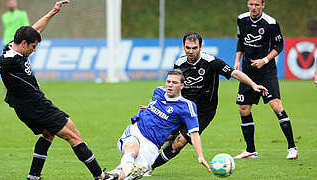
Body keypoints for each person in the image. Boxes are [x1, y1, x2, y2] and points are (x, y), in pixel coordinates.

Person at [0, 1, 110, 180]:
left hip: (24, 106)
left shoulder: (13, 46)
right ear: (24, 43)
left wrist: (53, 12)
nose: (34, 50)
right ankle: (101, 176)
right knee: (73, 134)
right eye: (33, 47)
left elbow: (35, 29)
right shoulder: (7, 59)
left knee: (49, 134)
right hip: (36, 105)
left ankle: (33, 176)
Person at [146, 32, 268, 175]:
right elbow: (173, 85)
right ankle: (150, 157)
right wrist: (157, 104)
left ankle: (150, 167)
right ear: (183, 47)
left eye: (194, 48)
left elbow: (235, 73)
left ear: (201, 47)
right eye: (188, 47)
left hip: (203, 111)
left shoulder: (211, 62)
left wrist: (253, 85)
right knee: (166, 136)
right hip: (183, 107)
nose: (191, 51)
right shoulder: (179, 63)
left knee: (180, 142)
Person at [105, 69, 211, 180]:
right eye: (168, 81)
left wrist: (200, 156)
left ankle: (113, 175)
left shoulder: (187, 106)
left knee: (125, 176)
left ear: (182, 86)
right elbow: (154, 105)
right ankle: (127, 168)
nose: (170, 85)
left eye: (174, 83)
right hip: (136, 131)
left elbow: (194, 133)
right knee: (132, 149)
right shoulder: (159, 91)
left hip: (152, 146)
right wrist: (149, 108)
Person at [233, 0, 298, 160]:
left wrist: (265, 60)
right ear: (247, 4)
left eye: (257, 4)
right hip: (248, 72)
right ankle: (250, 150)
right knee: (244, 109)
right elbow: (241, 41)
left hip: (266, 72)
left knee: (276, 106)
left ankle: (292, 148)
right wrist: (237, 61)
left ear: (263, 5)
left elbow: (279, 45)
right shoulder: (241, 19)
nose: (253, 7)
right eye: (251, 4)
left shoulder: (271, 23)